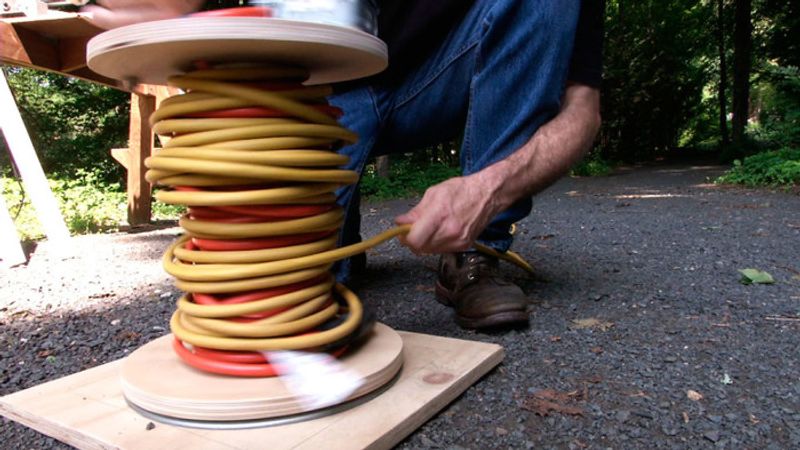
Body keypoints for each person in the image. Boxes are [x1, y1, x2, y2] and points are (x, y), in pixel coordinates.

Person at [86, 0, 603, 330]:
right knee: (277, 294)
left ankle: (475, 250)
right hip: (316, 93)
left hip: (439, 83)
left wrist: (487, 188)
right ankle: (330, 232)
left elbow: (582, 107)